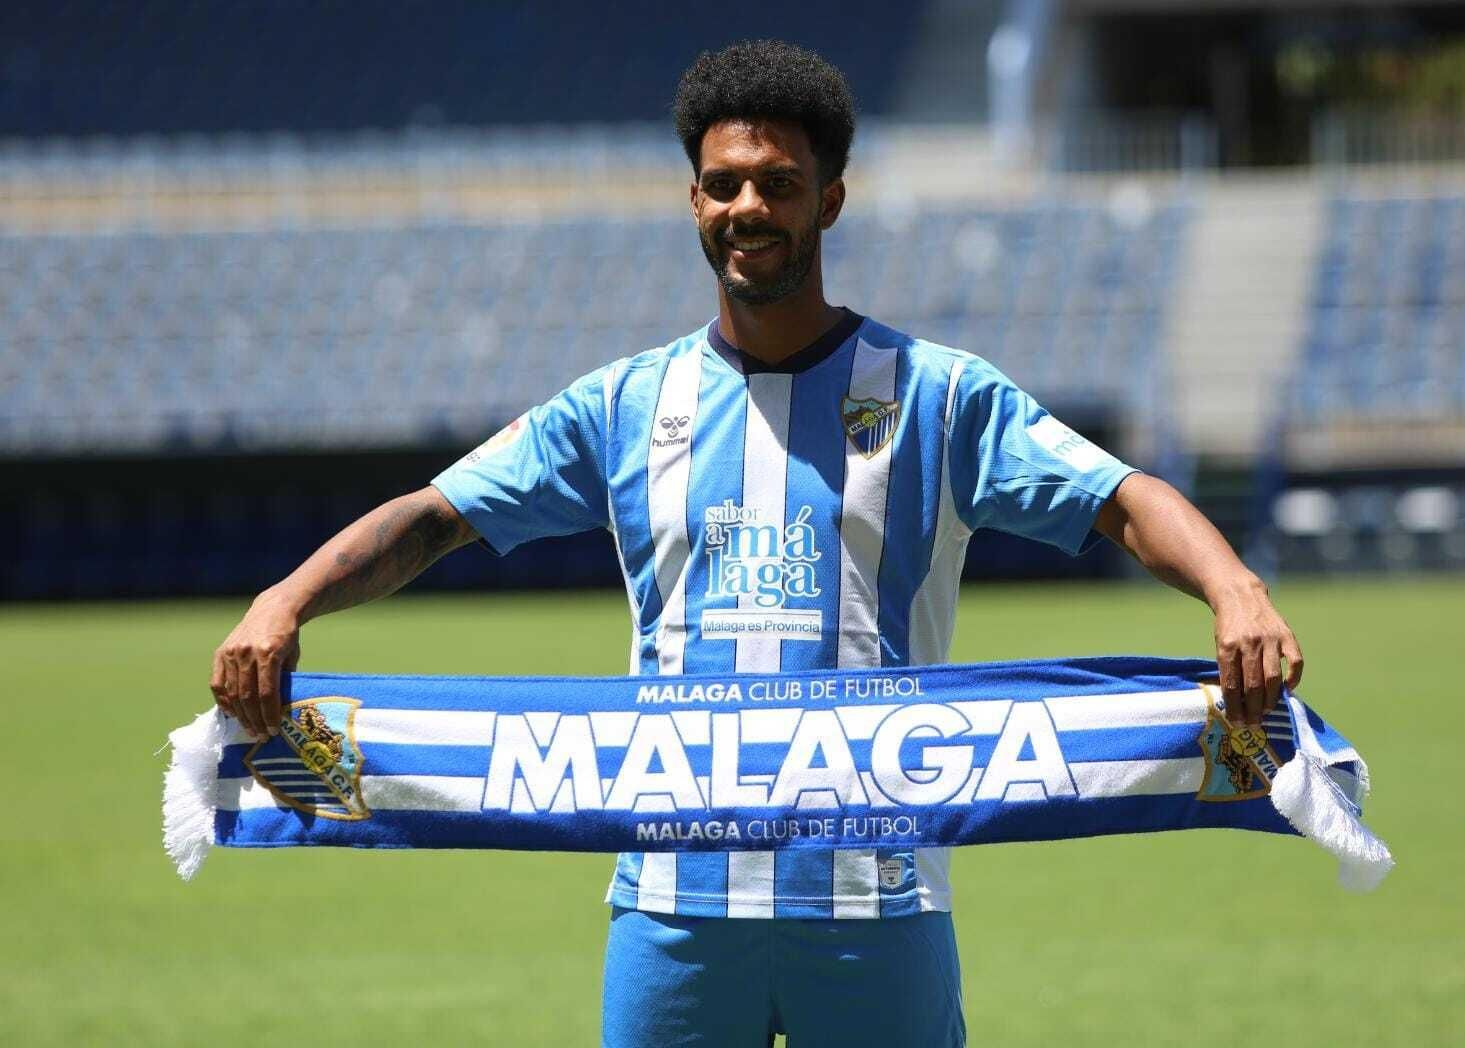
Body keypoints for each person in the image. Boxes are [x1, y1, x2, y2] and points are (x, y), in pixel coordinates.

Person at [210, 40, 1303, 1048]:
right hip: (672, 905)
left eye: (778, 183)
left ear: (829, 199)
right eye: (725, 183)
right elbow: (438, 514)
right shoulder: (624, 405)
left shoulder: (936, 395)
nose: (749, 207)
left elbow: (1120, 498)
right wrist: (283, 599)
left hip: (876, 897)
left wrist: (1234, 589)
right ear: (694, 198)